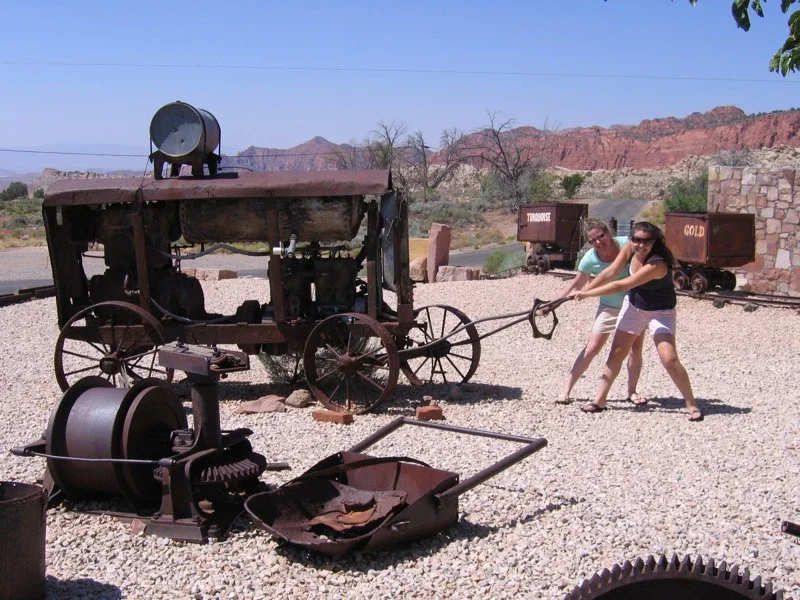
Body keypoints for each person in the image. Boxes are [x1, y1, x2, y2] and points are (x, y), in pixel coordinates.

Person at [573, 221, 702, 421]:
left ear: (654, 242)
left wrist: (587, 294)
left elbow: (622, 284)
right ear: (631, 239)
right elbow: (610, 272)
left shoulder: (657, 263)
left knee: (669, 358)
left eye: (646, 241)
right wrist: (585, 289)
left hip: (661, 312)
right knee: (617, 353)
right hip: (634, 307)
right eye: (636, 240)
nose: (640, 245)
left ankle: (691, 404)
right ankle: (600, 400)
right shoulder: (629, 249)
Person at [548, 218, 645, 405]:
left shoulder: (627, 244)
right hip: (608, 306)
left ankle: (632, 392)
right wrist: (551, 304)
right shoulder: (590, 258)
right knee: (592, 347)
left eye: (600, 236)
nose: (598, 242)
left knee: (635, 349)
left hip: (634, 306)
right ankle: (566, 390)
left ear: (607, 232)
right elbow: (575, 285)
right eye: (592, 241)